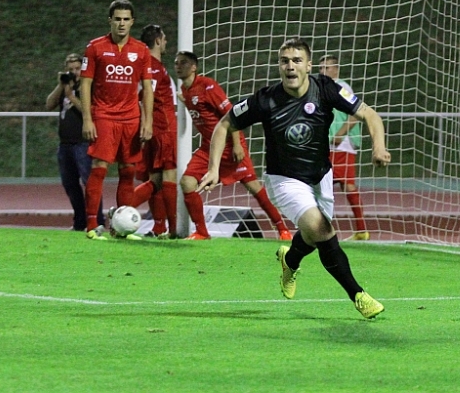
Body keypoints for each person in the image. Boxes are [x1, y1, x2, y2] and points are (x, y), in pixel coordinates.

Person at [199, 38, 390, 319]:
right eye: (285, 61)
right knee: (322, 229)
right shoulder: (265, 99)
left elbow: (369, 114)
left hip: (321, 175)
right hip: (284, 179)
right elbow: (224, 124)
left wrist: (378, 147)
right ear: (279, 66)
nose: (290, 66)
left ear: (308, 66)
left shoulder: (325, 88)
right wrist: (214, 168)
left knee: (313, 236)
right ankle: (359, 296)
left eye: (297, 60)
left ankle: (289, 260)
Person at [175, 50, 292, 241]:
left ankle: (283, 229)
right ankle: (202, 232)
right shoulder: (185, 90)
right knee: (187, 182)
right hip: (209, 148)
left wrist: (237, 144)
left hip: (231, 145)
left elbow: (231, 114)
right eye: (177, 63)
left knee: (253, 187)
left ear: (194, 67)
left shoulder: (208, 86)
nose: (179, 66)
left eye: (184, 63)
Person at [80, 0, 154, 241]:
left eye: (126, 19)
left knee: (127, 171)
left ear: (132, 22)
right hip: (104, 116)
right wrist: (87, 119)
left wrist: (147, 121)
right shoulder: (95, 48)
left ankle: (122, 228)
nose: (122, 24)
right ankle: (92, 225)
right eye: (117, 19)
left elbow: (147, 88)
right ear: (109, 20)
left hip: (131, 118)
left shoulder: (141, 50)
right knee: (99, 168)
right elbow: (85, 84)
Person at [127, 24, 178, 238]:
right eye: (164, 39)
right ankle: (174, 230)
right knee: (169, 178)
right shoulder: (153, 67)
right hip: (162, 128)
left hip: (152, 128)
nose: (165, 42)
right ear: (157, 41)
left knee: (155, 180)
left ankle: (157, 227)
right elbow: (147, 94)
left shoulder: (144, 65)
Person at [46, 52, 102, 231]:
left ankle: (97, 221)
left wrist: (71, 96)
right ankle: (80, 221)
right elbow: (49, 104)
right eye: (71, 69)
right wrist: (60, 85)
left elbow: (90, 111)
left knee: (89, 183)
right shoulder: (65, 87)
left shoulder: (87, 86)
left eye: (78, 68)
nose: (75, 72)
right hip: (65, 144)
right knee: (70, 184)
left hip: (82, 143)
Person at [318, 54, 369, 241]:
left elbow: (357, 113)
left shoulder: (342, 87)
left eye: (327, 68)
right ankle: (360, 230)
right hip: (329, 144)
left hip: (341, 144)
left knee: (326, 184)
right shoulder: (321, 88)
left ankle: (321, 230)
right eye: (320, 68)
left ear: (336, 69)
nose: (323, 71)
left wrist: (340, 134)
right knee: (341, 185)